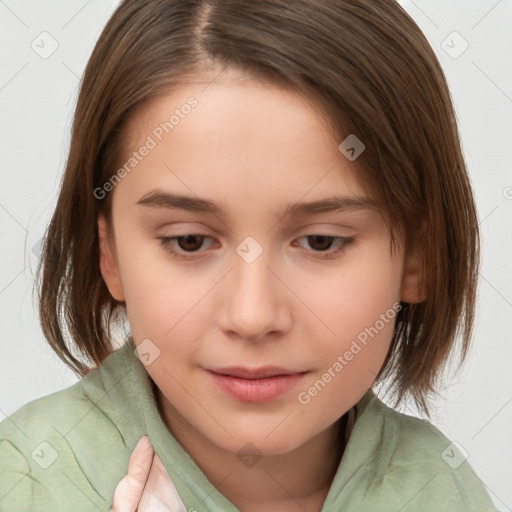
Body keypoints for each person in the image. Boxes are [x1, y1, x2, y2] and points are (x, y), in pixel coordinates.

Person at [0, 0, 498, 511]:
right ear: (109, 255)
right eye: (189, 241)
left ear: (417, 258)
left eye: (321, 241)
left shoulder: (443, 488)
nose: (252, 316)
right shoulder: (23, 481)